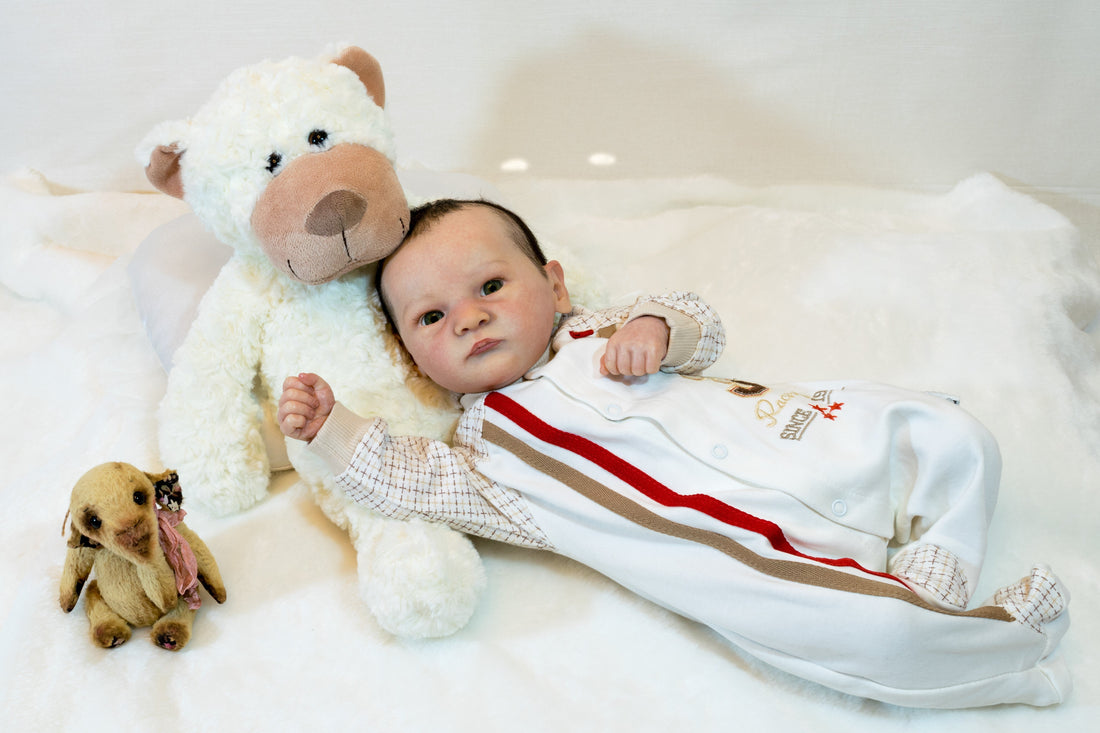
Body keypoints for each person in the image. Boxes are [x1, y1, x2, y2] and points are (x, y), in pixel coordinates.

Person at [278, 198, 1070, 708]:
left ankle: (932, 569)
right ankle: (996, 643)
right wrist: (333, 429)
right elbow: (414, 482)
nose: (469, 318)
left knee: (953, 435)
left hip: (809, 440)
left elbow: (700, 320)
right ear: (413, 358)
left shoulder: (601, 326)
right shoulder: (492, 460)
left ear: (553, 283)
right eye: (430, 316)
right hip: (753, 559)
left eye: (490, 284)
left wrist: (658, 330)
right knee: (873, 642)